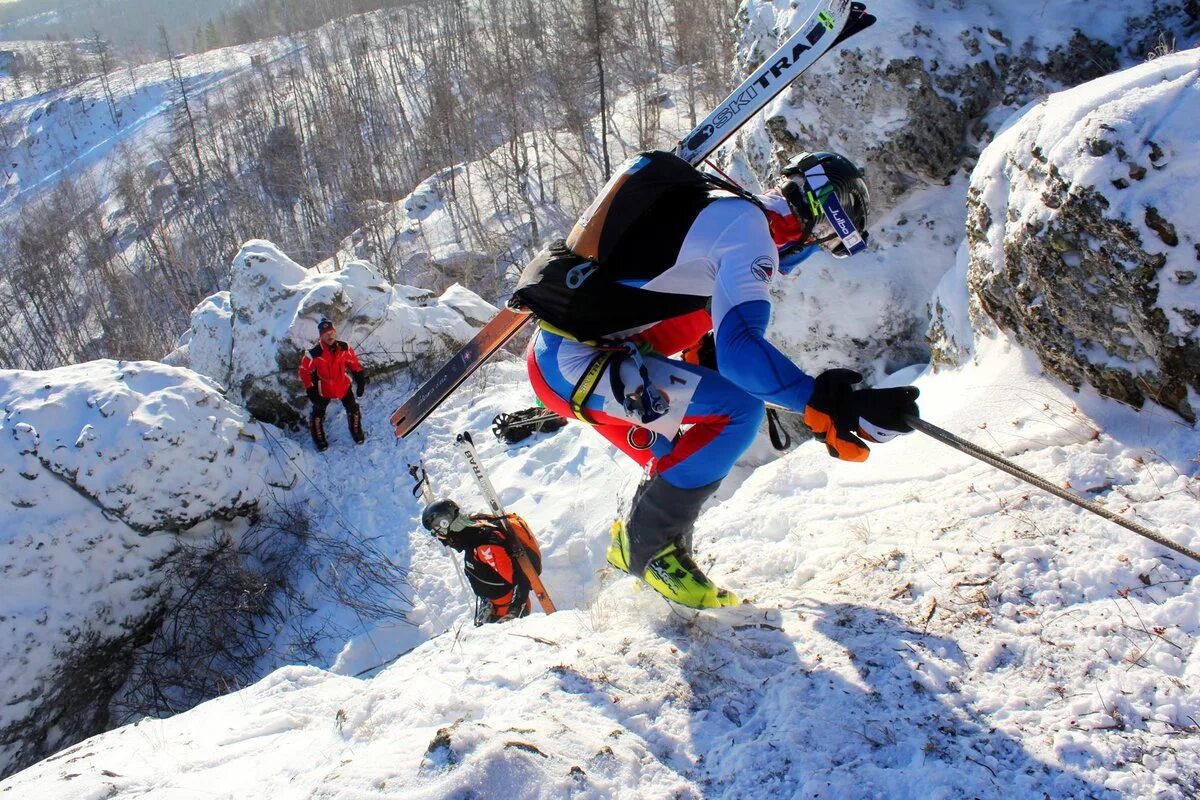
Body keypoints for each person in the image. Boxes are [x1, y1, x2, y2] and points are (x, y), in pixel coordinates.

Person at [524, 150, 920, 608]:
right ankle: (647, 551)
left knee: (681, 460)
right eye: (826, 235)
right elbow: (740, 354)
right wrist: (820, 401)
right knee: (738, 412)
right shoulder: (750, 233)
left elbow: (668, 295)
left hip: (563, 360)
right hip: (580, 364)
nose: (813, 250)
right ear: (816, 212)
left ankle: (645, 551)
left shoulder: (727, 211)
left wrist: (700, 355)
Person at [421, 499, 543, 625]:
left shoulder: (483, 545)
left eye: (439, 532)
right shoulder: (471, 529)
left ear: (445, 523)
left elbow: (518, 578)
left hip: (505, 612)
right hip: (494, 607)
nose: (441, 538)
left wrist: (514, 611)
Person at [298, 318, 367, 451]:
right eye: (325, 334)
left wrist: (360, 380)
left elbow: (354, 364)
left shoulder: (345, 348)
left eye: (331, 332)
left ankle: (356, 429)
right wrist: (311, 390)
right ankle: (318, 436)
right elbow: (304, 371)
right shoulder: (313, 354)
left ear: (334, 333)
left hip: (342, 385)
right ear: (321, 336)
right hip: (323, 389)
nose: (329, 335)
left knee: (352, 408)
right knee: (318, 413)